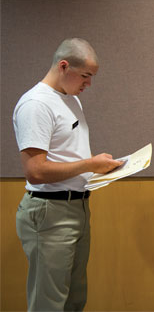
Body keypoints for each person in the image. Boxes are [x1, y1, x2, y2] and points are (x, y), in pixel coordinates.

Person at [12, 38, 122, 311]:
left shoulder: (70, 100)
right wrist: (88, 165)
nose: (89, 84)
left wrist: (100, 169)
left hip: (77, 208)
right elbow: (35, 171)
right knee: (49, 303)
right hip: (50, 212)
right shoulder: (36, 104)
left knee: (74, 298)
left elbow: (68, 157)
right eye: (85, 76)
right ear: (63, 66)